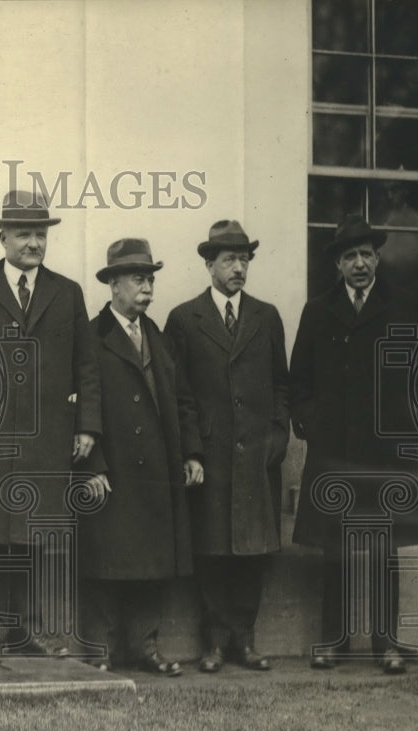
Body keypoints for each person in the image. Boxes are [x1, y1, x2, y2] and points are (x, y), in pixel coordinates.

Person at [0, 190, 101, 662]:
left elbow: (86, 367)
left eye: (40, 234)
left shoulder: (67, 292)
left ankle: (27, 631)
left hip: (48, 439)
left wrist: (87, 427)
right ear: (3, 237)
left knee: (34, 536)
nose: (34, 243)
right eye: (24, 234)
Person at [290, 215, 418, 674]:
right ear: (337, 263)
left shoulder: (406, 308)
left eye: (366, 254)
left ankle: (386, 644)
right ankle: (333, 641)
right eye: (349, 256)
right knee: (336, 550)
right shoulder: (317, 311)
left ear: (378, 257)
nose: (359, 264)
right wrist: (314, 425)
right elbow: (299, 383)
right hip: (334, 454)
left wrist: (413, 427)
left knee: (384, 551)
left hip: (387, 455)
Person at [164, 221, 289, 673]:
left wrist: (278, 436)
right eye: (229, 260)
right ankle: (214, 643)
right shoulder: (183, 318)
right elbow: (177, 393)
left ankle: (246, 640)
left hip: (257, 456)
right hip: (210, 457)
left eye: (245, 260)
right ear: (209, 265)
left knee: (252, 553)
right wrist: (191, 450)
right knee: (213, 551)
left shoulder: (266, 316)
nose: (239, 268)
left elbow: (281, 385)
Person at [77, 238, 202, 675]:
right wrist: (91, 467)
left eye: (150, 278)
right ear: (113, 285)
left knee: (153, 564)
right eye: (137, 279)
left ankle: (145, 646)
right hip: (112, 473)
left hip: (157, 474)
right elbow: (77, 408)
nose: (147, 287)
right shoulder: (91, 337)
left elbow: (183, 401)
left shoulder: (160, 339)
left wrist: (191, 453)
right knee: (107, 564)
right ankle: (101, 650)